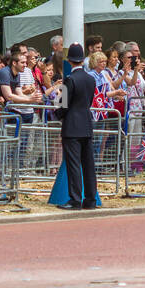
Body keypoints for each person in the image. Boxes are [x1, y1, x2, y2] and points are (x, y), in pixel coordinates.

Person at [54, 44, 97, 210]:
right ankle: (91, 199)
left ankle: (75, 199)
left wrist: (57, 114)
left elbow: (64, 104)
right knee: (88, 164)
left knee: (74, 165)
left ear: (70, 60)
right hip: (86, 123)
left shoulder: (70, 79)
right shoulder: (90, 79)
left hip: (72, 126)